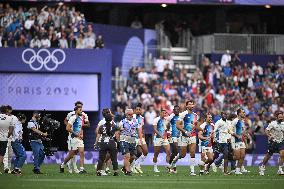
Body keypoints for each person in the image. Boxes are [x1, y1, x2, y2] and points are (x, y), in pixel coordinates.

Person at [171, 100, 199, 176]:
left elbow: (195, 125)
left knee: (192, 152)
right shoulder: (183, 114)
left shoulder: (196, 115)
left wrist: (196, 126)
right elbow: (177, 125)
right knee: (182, 155)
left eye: (192, 104)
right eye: (189, 104)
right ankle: (173, 162)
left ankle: (192, 171)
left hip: (192, 136)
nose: (191, 105)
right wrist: (186, 132)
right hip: (183, 136)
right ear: (186, 106)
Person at [60, 106, 89, 174]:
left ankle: (82, 169)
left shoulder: (81, 118)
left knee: (81, 152)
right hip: (73, 138)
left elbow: (80, 127)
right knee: (71, 155)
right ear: (76, 111)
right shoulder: (73, 118)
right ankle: (63, 164)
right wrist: (76, 134)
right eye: (80, 110)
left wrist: (81, 134)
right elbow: (67, 128)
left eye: (81, 110)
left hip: (79, 138)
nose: (81, 111)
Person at [259, 110, 284, 176]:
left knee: (282, 154)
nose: (281, 118)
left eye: (282, 117)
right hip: (273, 142)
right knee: (268, 155)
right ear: (276, 117)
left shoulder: (283, 124)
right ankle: (262, 167)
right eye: (280, 117)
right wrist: (269, 136)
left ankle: (280, 169)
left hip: (281, 141)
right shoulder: (273, 123)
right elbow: (266, 130)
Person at [118, 109, 141, 175]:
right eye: (129, 114)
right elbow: (118, 132)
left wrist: (140, 139)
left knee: (133, 156)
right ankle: (128, 171)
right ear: (126, 115)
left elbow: (138, 130)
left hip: (132, 140)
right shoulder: (122, 122)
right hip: (124, 139)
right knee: (127, 156)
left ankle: (124, 168)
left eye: (132, 114)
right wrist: (118, 140)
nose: (131, 116)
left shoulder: (135, 121)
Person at [96, 112, 119, 176]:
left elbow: (98, 136)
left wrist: (96, 143)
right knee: (114, 158)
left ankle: (98, 171)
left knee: (101, 158)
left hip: (103, 142)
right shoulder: (114, 126)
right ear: (111, 119)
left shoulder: (101, 127)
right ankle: (115, 171)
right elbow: (117, 136)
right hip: (111, 142)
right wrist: (117, 142)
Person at [231, 108, 248, 175]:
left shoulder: (242, 121)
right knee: (237, 157)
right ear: (239, 113)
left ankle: (237, 170)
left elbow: (242, 131)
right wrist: (236, 135)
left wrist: (245, 135)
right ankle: (224, 159)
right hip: (235, 140)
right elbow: (230, 130)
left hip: (241, 140)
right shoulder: (235, 121)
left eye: (244, 112)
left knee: (243, 156)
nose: (244, 113)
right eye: (243, 112)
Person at [133, 103, 148, 174]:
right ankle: (132, 166)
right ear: (134, 110)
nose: (138, 111)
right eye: (137, 109)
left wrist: (143, 136)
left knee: (146, 151)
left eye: (140, 109)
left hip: (141, 137)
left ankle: (137, 165)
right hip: (134, 137)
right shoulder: (132, 117)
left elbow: (142, 128)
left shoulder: (142, 118)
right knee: (138, 153)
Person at [3, 105, 17, 173]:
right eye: (7, 110)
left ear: (11, 110)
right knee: (5, 153)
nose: (8, 111)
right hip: (4, 137)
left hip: (12, 138)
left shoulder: (14, 118)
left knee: (10, 154)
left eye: (9, 110)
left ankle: (8, 167)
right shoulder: (3, 117)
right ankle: (6, 168)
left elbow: (15, 129)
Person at [0, 105, 13, 174]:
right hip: (4, 139)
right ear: (6, 111)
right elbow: (10, 131)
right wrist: (6, 136)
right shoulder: (10, 118)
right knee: (2, 154)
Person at [168, 105, 181, 174]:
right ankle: (171, 166)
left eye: (178, 109)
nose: (176, 110)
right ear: (173, 110)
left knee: (176, 153)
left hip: (180, 137)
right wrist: (168, 133)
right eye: (175, 109)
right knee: (176, 151)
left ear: (179, 110)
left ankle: (172, 166)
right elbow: (166, 125)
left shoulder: (181, 117)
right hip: (172, 136)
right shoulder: (171, 117)